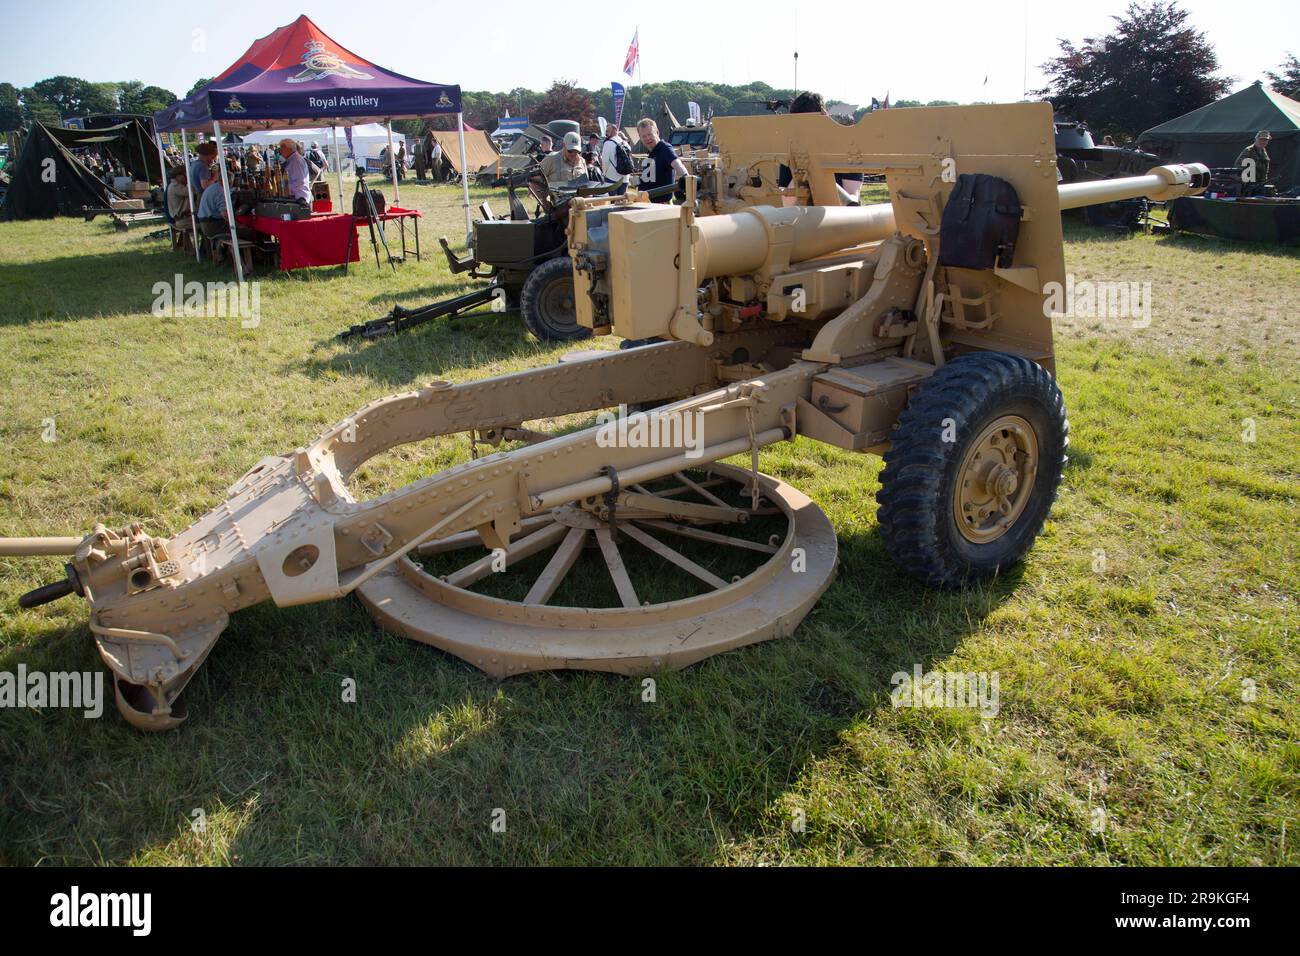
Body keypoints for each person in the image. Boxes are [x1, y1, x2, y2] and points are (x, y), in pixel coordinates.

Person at [635, 118, 688, 200]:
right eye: (644, 136)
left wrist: (686, 177)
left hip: (662, 205)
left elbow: (677, 163)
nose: (647, 138)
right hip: (648, 204)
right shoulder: (652, 153)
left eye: (650, 134)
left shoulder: (665, 148)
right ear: (640, 138)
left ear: (657, 133)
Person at [1234, 130, 1271, 195]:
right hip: (1249, 184)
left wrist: (1264, 182)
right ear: (1256, 139)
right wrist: (1243, 181)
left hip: (1260, 183)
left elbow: (1265, 167)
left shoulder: (1263, 150)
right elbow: (1238, 166)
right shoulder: (1249, 151)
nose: (1263, 142)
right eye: (1261, 140)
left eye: (1266, 140)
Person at [278, 137, 311, 204]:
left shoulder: (296, 161)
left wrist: (284, 188)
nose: (280, 151)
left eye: (282, 148)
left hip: (298, 199)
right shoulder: (292, 159)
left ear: (289, 148)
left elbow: (299, 182)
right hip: (296, 197)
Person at [600, 127, 632, 195]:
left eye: (607, 131)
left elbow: (605, 161)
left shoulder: (607, 143)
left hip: (611, 177)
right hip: (625, 177)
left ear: (613, 131)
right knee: (622, 201)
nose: (606, 133)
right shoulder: (626, 144)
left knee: (612, 202)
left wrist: (603, 174)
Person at [166, 165, 192, 233]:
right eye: (185, 175)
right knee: (208, 226)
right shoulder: (176, 186)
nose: (187, 177)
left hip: (183, 219)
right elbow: (193, 192)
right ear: (178, 175)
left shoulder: (174, 185)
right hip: (183, 220)